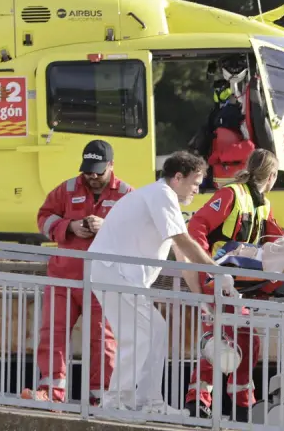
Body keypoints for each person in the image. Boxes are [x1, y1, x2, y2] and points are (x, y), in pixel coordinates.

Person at [87, 151, 218, 416]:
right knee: (139, 335)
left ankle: (149, 402)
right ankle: (116, 402)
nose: (197, 189)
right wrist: (217, 271)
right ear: (178, 177)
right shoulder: (162, 194)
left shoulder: (162, 199)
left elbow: (182, 256)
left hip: (117, 274)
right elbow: (183, 242)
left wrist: (202, 300)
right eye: (195, 183)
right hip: (115, 272)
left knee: (155, 330)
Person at [22, 140, 132, 405]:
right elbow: (43, 218)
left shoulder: (127, 194)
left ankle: (101, 399)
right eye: (87, 170)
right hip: (64, 277)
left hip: (103, 280)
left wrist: (107, 226)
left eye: (98, 171)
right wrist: (69, 227)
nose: (92, 176)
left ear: (111, 165)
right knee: (53, 333)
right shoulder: (68, 188)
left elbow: (138, 234)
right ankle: (51, 393)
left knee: (103, 340)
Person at [182, 148, 284, 419]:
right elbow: (197, 226)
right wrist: (208, 269)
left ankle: (241, 404)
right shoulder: (231, 194)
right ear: (272, 175)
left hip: (237, 283)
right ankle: (199, 401)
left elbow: (275, 239)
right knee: (222, 340)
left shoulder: (262, 204)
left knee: (246, 341)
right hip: (218, 278)